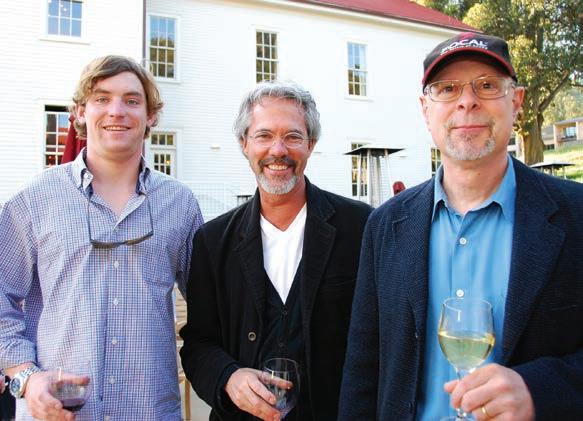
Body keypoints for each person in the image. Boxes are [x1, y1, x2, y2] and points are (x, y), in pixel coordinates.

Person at [339, 32, 583, 421]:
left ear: (516, 102)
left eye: (486, 86)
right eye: (448, 89)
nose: (466, 101)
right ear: (425, 110)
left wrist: (538, 391)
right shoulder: (385, 225)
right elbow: (362, 372)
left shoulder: (576, 214)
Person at [0, 55, 203, 420]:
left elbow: (211, 309)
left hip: (150, 412)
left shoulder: (180, 204)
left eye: (132, 100)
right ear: (81, 111)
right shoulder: (33, 200)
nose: (116, 111)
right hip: (59, 412)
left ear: (151, 116)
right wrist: (27, 378)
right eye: (102, 98)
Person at [180, 81, 372, 421]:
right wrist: (228, 377)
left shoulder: (360, 227)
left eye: (293, 136)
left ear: (311, 144)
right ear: (245, 143)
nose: (278, 150)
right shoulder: (213, 241)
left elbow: (381, 336)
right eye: (264, 135)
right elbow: (198, 343)